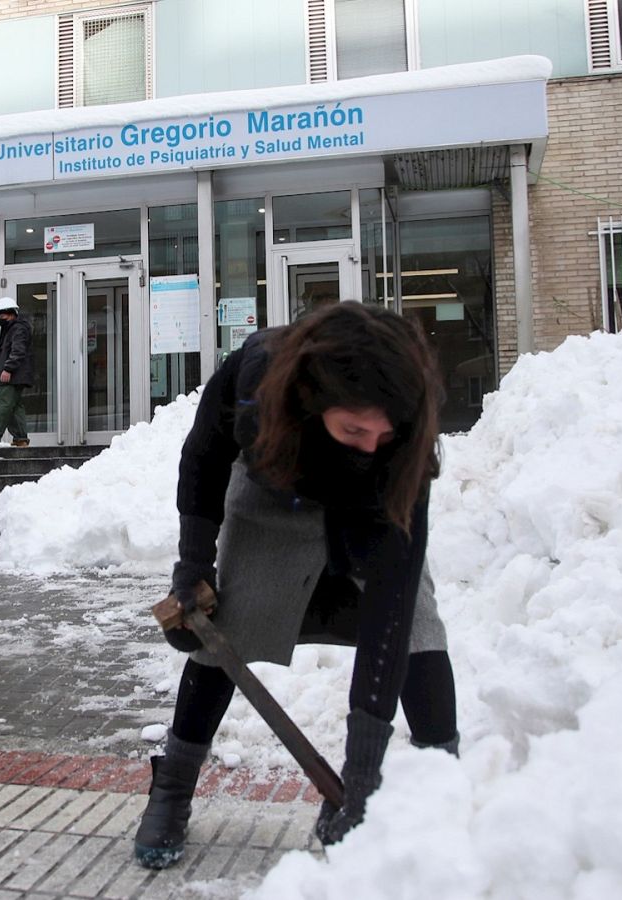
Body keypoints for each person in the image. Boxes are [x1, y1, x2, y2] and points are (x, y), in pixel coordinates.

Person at [133, 302, 459, 869]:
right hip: (273, 496)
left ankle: (448, 797)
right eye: (353, 428)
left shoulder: (400, 440)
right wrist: (192, 567)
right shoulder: (261, 379)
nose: (368, 442)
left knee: (418, 632)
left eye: (381, 433)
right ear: (315, 400)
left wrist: (359, 781)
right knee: (222, 638)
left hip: (371, 506)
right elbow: (203, 463)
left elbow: (392, 604)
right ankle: (173, 790)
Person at [0, 296, 33, 447]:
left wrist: (8, 369)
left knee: (2, 404)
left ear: (10, 313)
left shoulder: (18, 329)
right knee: (14, 407)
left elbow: (18, 351)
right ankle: (20, 439)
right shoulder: (10, 329)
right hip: (15, 375)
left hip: (13, 376)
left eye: (0, 314)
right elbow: (3, 352)